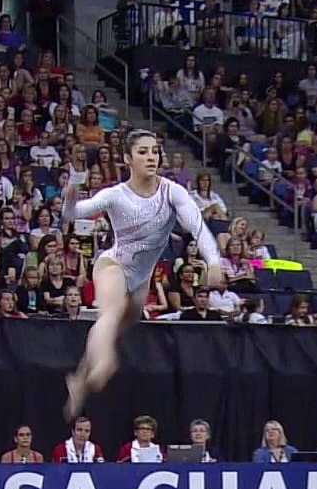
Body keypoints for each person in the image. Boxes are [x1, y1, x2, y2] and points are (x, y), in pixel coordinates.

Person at [60, 129, 223, 420]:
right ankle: (104, 363)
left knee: (115, 328)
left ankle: (80, 380)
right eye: (143, 152)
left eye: (155, 151)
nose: (151, 157)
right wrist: (71, 195)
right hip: (113, 265)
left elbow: (197, 226)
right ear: (127, 159)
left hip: (141, 281)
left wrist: (212, 260)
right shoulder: (115, 195)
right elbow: (73, 214)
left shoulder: (173, 192)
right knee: (110, 314)